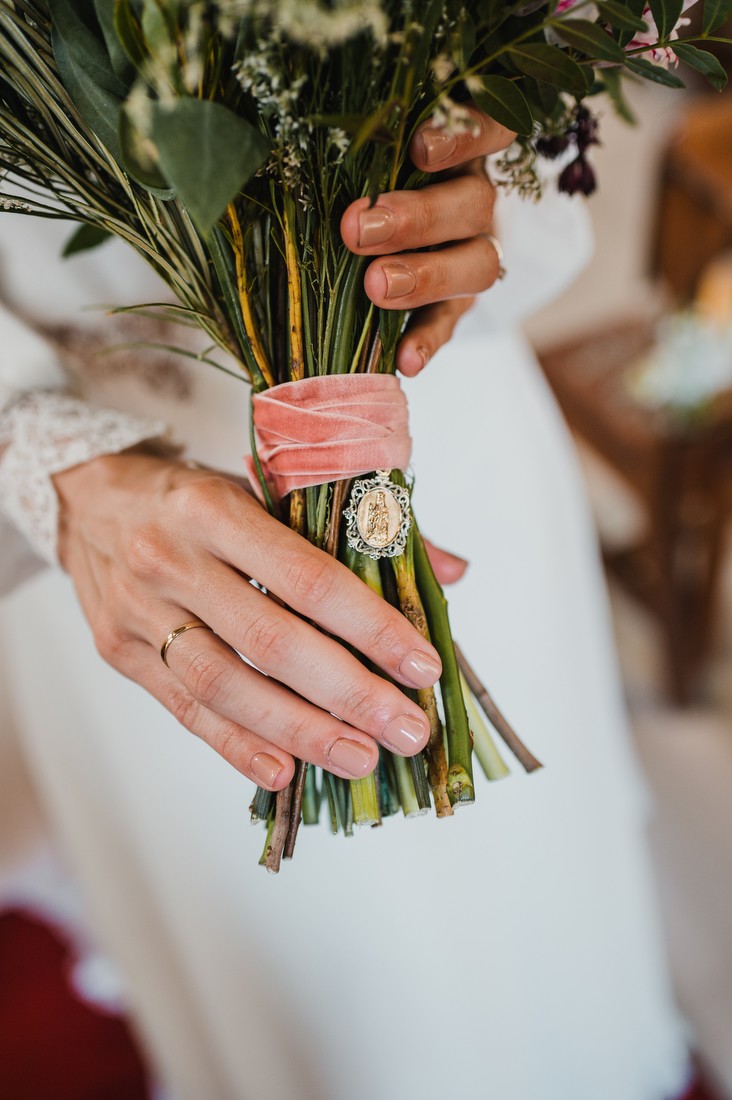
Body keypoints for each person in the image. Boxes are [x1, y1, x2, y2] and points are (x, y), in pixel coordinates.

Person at [0, 108, 692, 1099]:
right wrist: (44, 464)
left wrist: (486, 198)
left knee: (526, 908)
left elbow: (545, 118)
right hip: (131, 525)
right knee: (304, 974)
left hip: (421, 397)